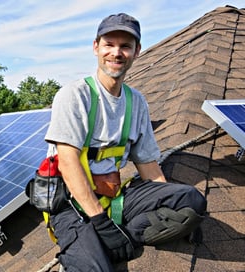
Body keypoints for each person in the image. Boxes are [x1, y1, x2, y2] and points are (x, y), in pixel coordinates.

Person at [44, 13, 207, 271]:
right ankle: (91, 248)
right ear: (96, 47)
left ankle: (117, 241)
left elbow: (149, 166)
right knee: (96, 268)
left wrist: (177, 212)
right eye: (109, 44)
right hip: (70, 204)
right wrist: (100, 221)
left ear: (137, 51)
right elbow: (67, 162)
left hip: (116, 196)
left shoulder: (136, 102)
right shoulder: (75, 95)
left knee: (192, 201)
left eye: (125, 46)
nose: (116, 53)